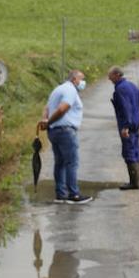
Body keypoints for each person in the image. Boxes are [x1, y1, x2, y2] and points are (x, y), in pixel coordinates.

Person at [39, 70, 93, 204]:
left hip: (54, 131)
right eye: (82, 79)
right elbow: (63, 109)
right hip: (65, 131)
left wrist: (45, 121)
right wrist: (49, 121)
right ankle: (73, 195)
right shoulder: (70, 90)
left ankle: (60, 194)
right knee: (71, 163)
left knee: (60, 163)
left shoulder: (58, 89)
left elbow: (46, 107)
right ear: (75, 79)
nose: (83, 83)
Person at [108, 66, 139, 190]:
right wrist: (135, 107)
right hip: (136, 122)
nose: (109, 78)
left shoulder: (120, 89)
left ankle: (134, 183)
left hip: (128, 125)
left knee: (129, 151)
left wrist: (125, 126)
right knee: (135, 150)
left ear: (116, 75)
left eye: (110, 76)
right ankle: (137, 181)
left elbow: (126, 109)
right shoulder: (131, 85)